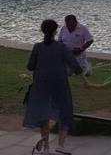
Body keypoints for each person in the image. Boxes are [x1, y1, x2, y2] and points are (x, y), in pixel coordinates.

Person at [23, 19, 82, 155]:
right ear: (55, 31)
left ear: (42, 31)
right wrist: (76, 71)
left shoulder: (37, 47)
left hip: (41, 85)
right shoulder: (61, 47)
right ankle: (61, 145)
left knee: (44, 114)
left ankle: (46, 148)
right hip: (59, 85)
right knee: (65, 112)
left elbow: (30, 66)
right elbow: (75, 66)